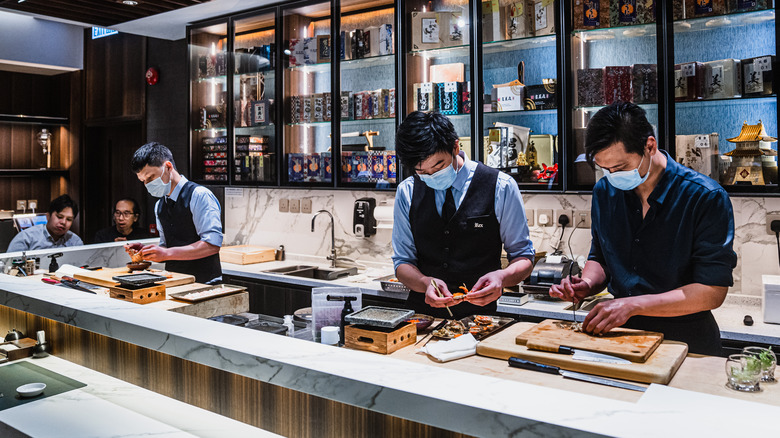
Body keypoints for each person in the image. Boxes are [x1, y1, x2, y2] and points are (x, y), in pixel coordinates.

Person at [549, 102, 737, 355]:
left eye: (620, 167)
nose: (612, 176)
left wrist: (632, 305)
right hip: (618, 334)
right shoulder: (605, 192)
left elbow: (711, 291)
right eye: (605, 169)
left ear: (650, 146)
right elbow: (600, 257)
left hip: (685, 339)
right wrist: (587, 282)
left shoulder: (705, 197)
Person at [392, 111, 535, 319]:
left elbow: (524, 257)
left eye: (438, 165)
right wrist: (425, 283)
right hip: (422, 320)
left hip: (480, 320)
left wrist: (501, 277)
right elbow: (402, 262)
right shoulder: (407, 191)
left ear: (456, 147)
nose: (431, 176)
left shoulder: (500, 186)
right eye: (421, 172)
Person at [128, 142, 223, 284]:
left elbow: (212, 245)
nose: (147, 184)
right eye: (143, 181)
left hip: (205, 282)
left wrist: (166, 253)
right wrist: (146, 251)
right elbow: (167, 245)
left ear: (168, 167)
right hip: (175, 281)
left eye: (151, 177)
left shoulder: (199, 195)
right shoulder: (160, 205)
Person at [8, 194, 83, 251]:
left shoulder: (75, 241)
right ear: (48, 216)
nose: (63, 222)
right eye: (59, 217)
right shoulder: (26, 238)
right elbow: (10, 267)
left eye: (69, 219)